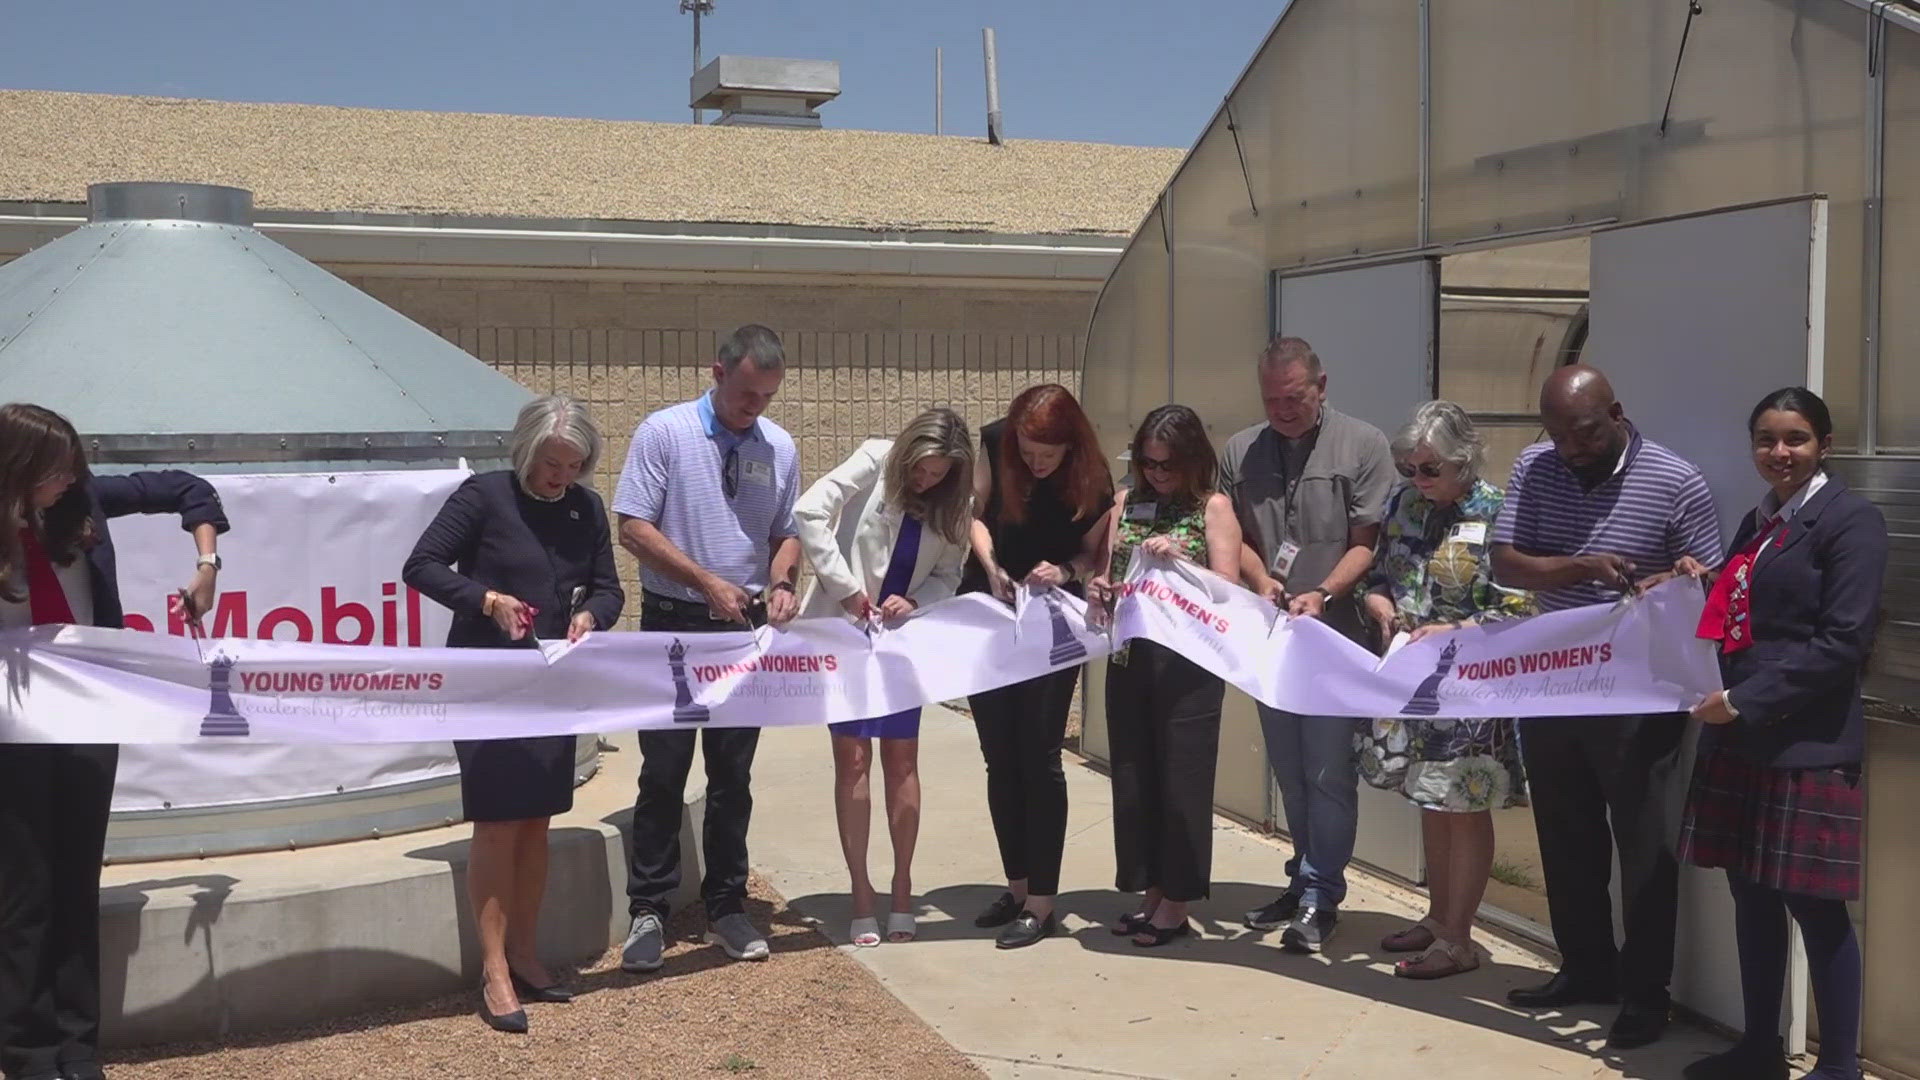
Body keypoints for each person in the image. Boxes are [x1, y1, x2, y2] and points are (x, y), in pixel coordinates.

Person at [1490, 363, 1722, 1049]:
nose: (1570, 448)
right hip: (1553, 683)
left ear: (1616, 412)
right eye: (1558, 434)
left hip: (1637, 696)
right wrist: (1581, 567)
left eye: (1583, 432)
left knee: (1644, 847)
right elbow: (1505, 563)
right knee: (1566, 837)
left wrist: (1668, 580)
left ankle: (1647, 995)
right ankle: (1586, 969)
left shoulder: (1676, 480)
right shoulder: (1535, 466)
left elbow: (1706, 583)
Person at [0, 403, 227, 1080]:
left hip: (88, 713)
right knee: (25, 888)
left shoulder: (84, 499)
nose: (70, 481)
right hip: (12, 724)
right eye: (54, 472)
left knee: (76, 877)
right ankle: (28, 1048)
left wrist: (207, 562)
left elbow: (189, 488)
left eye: (73, 468)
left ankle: (78, 1044)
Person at [1674, 388, 1885, 1080]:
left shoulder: (1851, 523)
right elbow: (1746, 612)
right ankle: (1759, 1047)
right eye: (1766, 439)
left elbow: (1841, 643)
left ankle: (1840, 1068)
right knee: (1752, 896)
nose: (1780, 452)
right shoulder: (1760, 520)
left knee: (1817, 911)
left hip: (1807, 745)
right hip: (1745, 741)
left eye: (1795, 438)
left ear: (1824, 442)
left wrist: (1740, 701)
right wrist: (1699, 581)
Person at [403, 395, 624, 1033]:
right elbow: (420, 565)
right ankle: (494, 967)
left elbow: (608, 587)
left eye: (574, 465)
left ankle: (526, 950)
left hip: (553, 685)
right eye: (552, 463)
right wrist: (487, 599)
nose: (561, 477)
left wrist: (592, 616)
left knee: (536, 823)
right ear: (526, 451)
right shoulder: (484, 497)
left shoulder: (585, 508)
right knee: (498, 824)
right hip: (488, 687)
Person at [612, 325, 802, 973]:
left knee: (732, 777)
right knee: (663, 772)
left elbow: (786, 532)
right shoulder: (664, 433)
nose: (756, 408)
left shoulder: (777, 446)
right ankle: (650, 910)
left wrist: (780, 582)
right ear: (717, 372)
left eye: (767, 397)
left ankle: (726, 905)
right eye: (747, 393)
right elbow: (633, 527)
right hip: (674, 621)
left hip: (742, 629)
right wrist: (705, 582)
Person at [1224, 336, 1393, 955]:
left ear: (1321, 386)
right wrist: (1260, 577)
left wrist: (1322, 590)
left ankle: (1325, 893)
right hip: (1273, 640)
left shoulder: (1365, 445)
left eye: (1293, 397)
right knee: (1290, 773)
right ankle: (1301, 878)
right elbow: (1234, 533)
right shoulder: (1241, 451)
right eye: (1271, 400)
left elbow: (1367, 540)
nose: (1283, 410)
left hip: (1333, 638)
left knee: (1327, 774)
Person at [1355, 401, 1532, 979]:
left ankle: (1460, 937)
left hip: (1470, 688)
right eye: (1410, 468)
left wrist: (1453, 630)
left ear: (1464, 460)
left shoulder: (1498, 512)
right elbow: (1382, 573)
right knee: (1429, 797)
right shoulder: (1405, 504)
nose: (1417, 480)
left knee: (1464, 804)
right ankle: (1438, 918)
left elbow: (1517, 608)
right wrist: (1376, 599)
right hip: (1415, 679)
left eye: (1429, 469)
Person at [793, 408, 975, 948]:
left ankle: (901, 887)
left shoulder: (956, 504)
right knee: (852, 761)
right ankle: (861, 893)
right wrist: (846, 587)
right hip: (846, 635)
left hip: (900, 642)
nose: (927, 481)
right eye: (921, 470)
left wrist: (917, 600)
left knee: (902, 759)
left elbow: (950, 573)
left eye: (939, 474)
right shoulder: (874, 459)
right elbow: (809, 512)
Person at [1085, 405, 1240, 948]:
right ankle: (1150, 890)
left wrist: (1178, 560)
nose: (1157, 473)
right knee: (1133, 779)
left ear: (1193, 459)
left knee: (1182, 782)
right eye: (1148, 462)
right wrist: (1099, 587)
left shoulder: (1212, 507)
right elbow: (1107, 568)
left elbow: (1228, 591)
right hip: (1130, 658)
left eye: (1168, 465)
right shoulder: (1128, 502)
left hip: (1187, 666)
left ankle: (1177, 902)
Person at [964, 384, 1112, 949]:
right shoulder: (996, 443)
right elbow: (976, 517)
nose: (1033, 463)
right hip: (991, 608)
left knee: (1039, 752)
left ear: (1069, 445)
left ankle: (1044, 903)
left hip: (1052, 622)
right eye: (1026, 453)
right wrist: (992, 564)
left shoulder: (1093, 479)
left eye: (1045, 456)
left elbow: (1094, 556)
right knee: (998, 755)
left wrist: (1067, 572)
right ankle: (1017, 886)